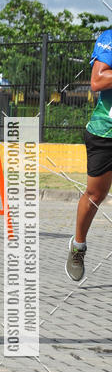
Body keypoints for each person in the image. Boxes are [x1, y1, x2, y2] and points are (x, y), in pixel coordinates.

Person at [66, 28, 112, 280]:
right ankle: (78, 246)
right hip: (106, 132)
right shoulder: (109, 39)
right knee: (96, 194)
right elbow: (98, 82)